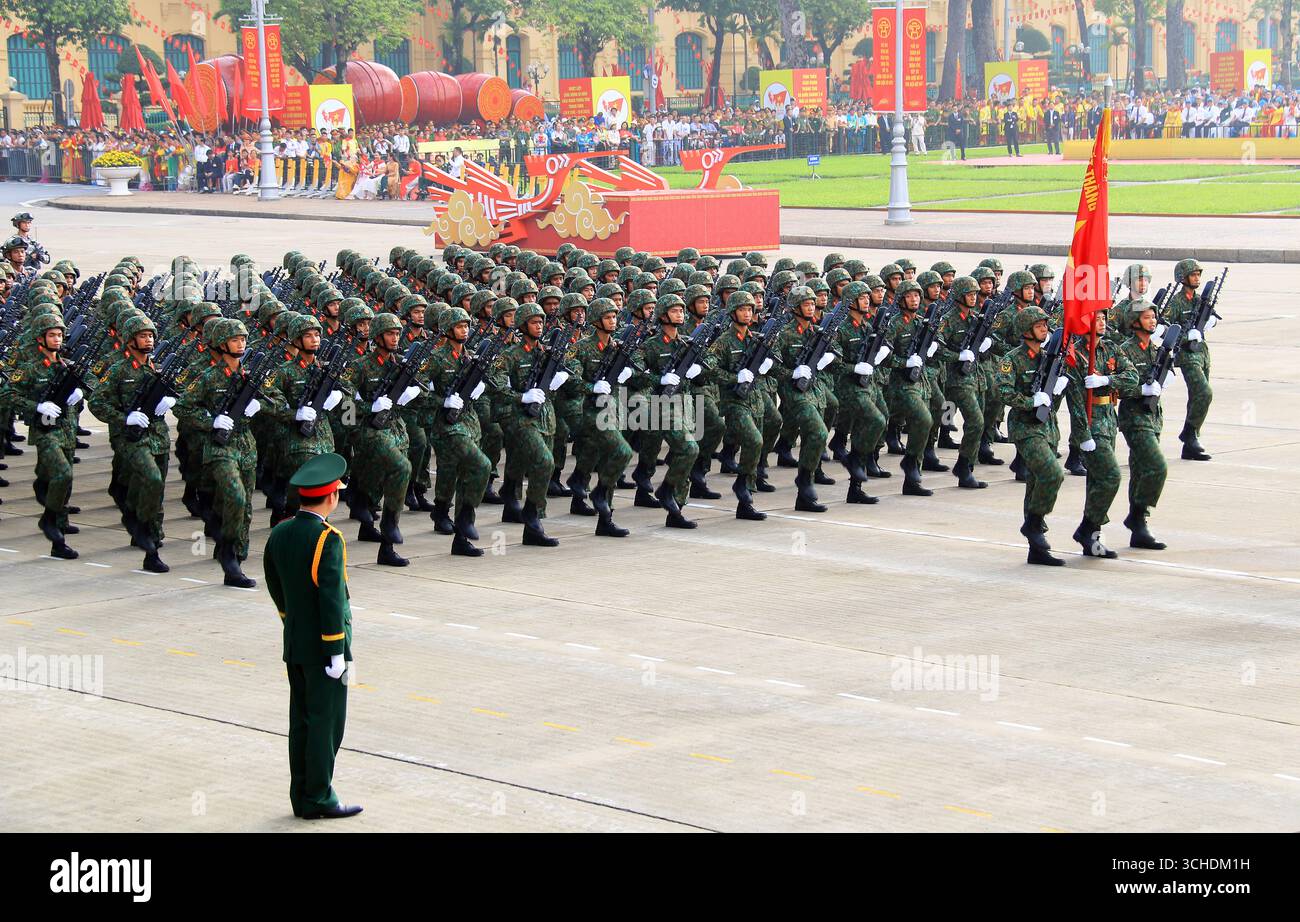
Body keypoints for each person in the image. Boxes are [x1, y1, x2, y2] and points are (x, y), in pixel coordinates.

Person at [263, 452, 362, 821]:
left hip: (296, 644)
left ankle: (302, 795)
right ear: (331, 497)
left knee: (301, 722)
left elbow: (276, 585)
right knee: (326, 724)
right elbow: (331, 598)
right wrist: (336, 650)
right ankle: (319, 796)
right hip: (325, 650)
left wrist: (292, 620)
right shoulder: (327, 539)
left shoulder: (280, 532)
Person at [1064, 309, 1139, 558]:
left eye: (1104, 318)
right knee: (1110, 477)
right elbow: (1074, 400)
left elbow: (1132, 377)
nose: (1103, 322)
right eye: (1097, 319)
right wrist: (1082, 435)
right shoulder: (1076, 354)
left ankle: (1092, 539)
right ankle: (1087, 528)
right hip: (1090, 422)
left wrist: (1106, 380)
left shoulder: (1110, 349)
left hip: (1108, 418)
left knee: (1096, 481)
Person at [997, 306, 1066, 566]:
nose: (1044, 329)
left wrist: (1058, 387)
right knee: (1052, 474)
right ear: (1026, 331)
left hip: (1048, 427)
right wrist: (1029, 400)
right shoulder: (1012, 359)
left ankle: (1036, 549)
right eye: (1039, 326)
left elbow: (1051, 399)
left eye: (1045, 325)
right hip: (1026, 429)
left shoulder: (1049, 358)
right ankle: (1034, 523)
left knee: (1036, 483)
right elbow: (1003, 392)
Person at [1163, 258, 1214, 461]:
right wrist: (1186, 336)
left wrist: (1210, 322)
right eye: (1193, 274)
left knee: (1197, 398)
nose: (1197, 277)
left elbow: (1206, 320)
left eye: (1198, 274)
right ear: (1182, 278)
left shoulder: (1200, 300)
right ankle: (1190, 433)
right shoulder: (1175, 303)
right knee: (1204, 393)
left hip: (1202, 353)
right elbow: (1164, 331)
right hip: (1186, 355)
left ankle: (1190, 444)